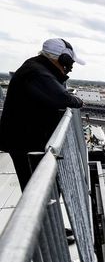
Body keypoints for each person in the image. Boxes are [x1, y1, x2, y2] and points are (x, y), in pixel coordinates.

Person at [0, 38, 85, 190]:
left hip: (26, 140)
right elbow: (62, 98)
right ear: (62, 59)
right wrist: (78, 101)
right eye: (70, 63)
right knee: (35, 190)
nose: (71, 68)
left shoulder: (36, 68)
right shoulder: (37, 72)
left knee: (40, 187)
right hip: (25, 144)